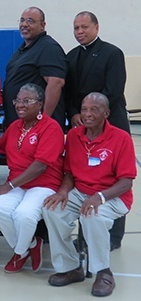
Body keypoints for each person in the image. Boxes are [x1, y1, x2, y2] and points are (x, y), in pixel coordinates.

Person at [42, 92, 136, 297]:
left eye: (94, 109)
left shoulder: (121, 138)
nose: (87, 114)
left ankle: (103, 272)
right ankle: (71, 267)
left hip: (112, 196)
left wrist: (99, 197)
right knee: (52, 210)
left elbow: (126, 181)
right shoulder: (74, 136)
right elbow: (68, 172)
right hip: (80, 191)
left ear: (106, 113)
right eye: (84, 109)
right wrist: (63, 191)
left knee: (92, 216)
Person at [65, 11, 130, 251]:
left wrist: (92, 115)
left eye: (84, 27)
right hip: (82, 126)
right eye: (75, 28)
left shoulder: (112, 53)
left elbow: (112, 90)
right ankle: (85, 236)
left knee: (113, 178)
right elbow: (69, 92)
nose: (79, 32)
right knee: (86, 180)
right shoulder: (71, 57)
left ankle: (113, 238)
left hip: (110, 123)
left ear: (96, 27)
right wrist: (75, 114)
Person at [0, 83, 64, 273]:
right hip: (18, 184)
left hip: (44, 184)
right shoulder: (15, 126)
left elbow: (40, 166)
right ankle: (30, 245)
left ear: (40, 104)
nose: (20, 105)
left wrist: (10, 185)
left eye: (27, 101)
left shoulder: (51, 127)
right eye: (18, 101)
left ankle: (19, 253)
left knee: (24, 215)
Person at [2, 7, 66, 129]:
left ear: (42, 25)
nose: (24, 24)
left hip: (39, 128)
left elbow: (56, 83)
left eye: (30, 21)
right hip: (19, 124)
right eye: (22, 20)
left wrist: (43, 121)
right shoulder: (23, 50)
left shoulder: (49, 48)